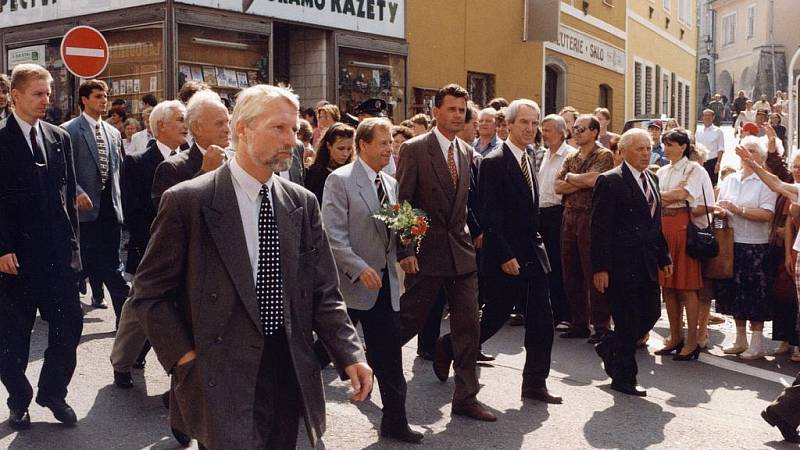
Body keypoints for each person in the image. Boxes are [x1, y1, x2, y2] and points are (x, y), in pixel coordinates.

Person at [130, 84, 372, 449]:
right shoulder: (189, 201)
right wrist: (185, 358)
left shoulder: (302, 203)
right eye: (278, 128)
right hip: (220, 370)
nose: (292, 140)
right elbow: (149, 294)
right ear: (241, 129)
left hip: (289, 367)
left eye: (293, 129)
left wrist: (350, 353)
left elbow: (324, 292)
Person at [396, 84, 496, 422]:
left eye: (462, 110)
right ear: (436, 111)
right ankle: (369, 364)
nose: (457, 115)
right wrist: (406, 248)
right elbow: (405, 203)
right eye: (451, 109)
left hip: (461, 252)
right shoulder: (415, 149)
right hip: (428, 252)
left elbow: (466, 206)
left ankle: (466, 397)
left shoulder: (467, 152)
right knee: (409, 319)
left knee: (469, 324)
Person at [320, 117, 423, 443]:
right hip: (350, 288)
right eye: (383, 143)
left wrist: (406, 244)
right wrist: (358, 267)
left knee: (390, 356)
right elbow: (332, 235)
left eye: (390, 143)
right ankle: (291, 399)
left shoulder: (389, 183)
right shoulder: (340, 180)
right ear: (362, 145)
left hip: (383, 287)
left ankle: (395, 421)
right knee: (321, 352)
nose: (389, 149)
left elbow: (388, 232)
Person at [0, 63, 83, 429]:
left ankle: (53, 392)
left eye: (48, 92)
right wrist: (1, 248)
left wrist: (75, 250)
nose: (45, 100)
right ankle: (19, 398)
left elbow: (66, 197)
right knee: (12, 339)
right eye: (37, 93)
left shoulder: (57, 138)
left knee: (70, 326)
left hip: (56, 256)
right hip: (14, 259)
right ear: (15, 96)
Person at [465, 99, 562, 403]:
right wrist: (505, 254)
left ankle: (535, 383)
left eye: (535, 123)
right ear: (507, 125)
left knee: (542, 321)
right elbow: (490, 215)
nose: (531, 129)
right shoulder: (494, 161)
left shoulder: (531, 156)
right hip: (506, 256)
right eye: (524, 122)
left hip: (533, 254)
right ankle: (449, 348)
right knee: (494, 316)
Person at [592, 129, 673, 397]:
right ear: (623, 151)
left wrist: (664, 257)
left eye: (648, 148)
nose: (645, 154)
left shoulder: (653, 179)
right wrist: (600, 268)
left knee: (650, 313)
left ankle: (609, 345)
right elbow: (600, 228)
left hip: (647, 262)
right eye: (639, 149)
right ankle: (624, 378)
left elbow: (655, 224)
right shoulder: (610, 181)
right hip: (620, 264)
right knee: (627, 322)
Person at [61, 79, 129, 319]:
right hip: (84, 213)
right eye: (98, 96)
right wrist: (77, 191)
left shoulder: (112, 132)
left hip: (110, 210)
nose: (104, 100)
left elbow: (118, 170)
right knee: (81, 265)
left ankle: (124, 318)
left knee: (112, 265)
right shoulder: (69, 130)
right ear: (84, 99)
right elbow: (63, 170)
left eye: (105, 96)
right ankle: (64, 310)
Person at [715, 137, 777, 359]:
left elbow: (767, 214)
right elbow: (720, 206)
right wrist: (721, 212)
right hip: (731, 242)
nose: (746, 154)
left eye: (752, 150)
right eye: (744, 149)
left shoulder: (766, 182)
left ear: (760, 156)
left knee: (754, 293)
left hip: (755, 244)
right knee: (733, 291)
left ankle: (757, 342)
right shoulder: (731, 179)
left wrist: (738, 209)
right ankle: (739, 338)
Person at [555, 114, 615, 342]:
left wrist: (572, 178)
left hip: (590, 217)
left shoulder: (604, 154)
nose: (576, 132)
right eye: (575, 128)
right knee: (571, 271)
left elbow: (595, 180)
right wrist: (577, 181)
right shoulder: (571, 155)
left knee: (593, 271)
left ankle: (601, 326)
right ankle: (579, 322)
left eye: (581, 129)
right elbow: (558, 185)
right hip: (569, 215)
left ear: (594, 132)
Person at [653, 129, 711, 360]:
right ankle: (675, 336)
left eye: (672, 144)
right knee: (668, 287)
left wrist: (664, 195)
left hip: (682, 226)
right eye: (665, 144)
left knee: (686, 286)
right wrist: (668, 195)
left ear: (684, 146)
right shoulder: (664, 170)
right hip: (663, 226)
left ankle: (693, 340)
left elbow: (682, 194)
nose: (667, 148)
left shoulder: (694, 169)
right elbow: (666, 196)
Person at [122, 100, 187, 277]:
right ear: (161, 125)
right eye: (180, 119)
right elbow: (134, 216)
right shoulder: (137, 163)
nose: (186, 125)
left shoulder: (196, 159)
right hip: (152, 257)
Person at [538, 115, 577, 328]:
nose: (544, 133)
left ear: (562, 132)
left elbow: (575, 184)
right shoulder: (544, 154)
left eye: (548, 130)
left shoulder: (569, 155)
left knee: (560, 264)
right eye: (543, 129)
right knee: (547, 265)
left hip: (558, 212)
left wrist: (563, 191)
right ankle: (553, 311)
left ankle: (565, 313)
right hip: (542, 213)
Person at [304, 122, 355, 204]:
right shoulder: (312, 174)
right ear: (329, 145)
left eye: (349, 149)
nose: (345, 154)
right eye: (341, 148)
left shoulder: (353, 174)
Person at [695, 109, 726, 186]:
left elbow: (721, 149)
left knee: (711, 184)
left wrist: (718, 163)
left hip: (712, 161)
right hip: (700, 161)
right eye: (705, 116)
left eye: (709, 116)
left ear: (713, 117)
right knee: (699, 184)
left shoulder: (718, 131)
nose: (707, 118)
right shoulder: (698, 131)